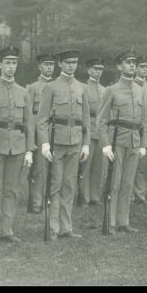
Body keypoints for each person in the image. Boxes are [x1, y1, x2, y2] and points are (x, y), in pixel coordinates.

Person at [0, 46, 34, 243]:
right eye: (7, 63)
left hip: (17, 147)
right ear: (0, 65)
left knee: (12, 189)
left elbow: (29, 124)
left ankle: (7, 229)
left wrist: (29, 150)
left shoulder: (23, 92)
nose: (11, 67)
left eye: (14, 63)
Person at [37, 49, 91, 240]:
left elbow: (86, 120)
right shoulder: (51, 87)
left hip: (75, 142)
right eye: (68, 62)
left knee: (70, 185)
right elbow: (42, 119)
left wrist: (86, 144)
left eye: (74, 62)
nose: (71, 66)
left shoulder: (82, 87)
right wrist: (44, 144)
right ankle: (53, 228)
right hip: (56, 143)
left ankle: (66, 228)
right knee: (55, 185)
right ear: (60, 64)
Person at [97, 49, 147, 234]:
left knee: (128, 182)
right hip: (117, 141)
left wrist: (143, 144)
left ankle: (123, 221)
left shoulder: (141, 90)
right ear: (119, 66)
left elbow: (144, 121)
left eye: (134, 63)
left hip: (134, 141)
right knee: (115, 182)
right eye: (128, 63)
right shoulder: (111, 90)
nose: (132, 66)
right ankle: (110, 222)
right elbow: (102, 120)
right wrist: (105, 144)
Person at [25, 52, 56, 213]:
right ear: (40, 67)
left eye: (51, 64)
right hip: (39, 132)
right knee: (39, 168)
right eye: (46, 64)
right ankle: (37, 203)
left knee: (56, 167)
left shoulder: (58, 85)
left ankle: (52, 200)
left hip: (56, 131)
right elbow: (29, 115)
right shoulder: (33, 87)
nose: (49, 67)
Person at [82, 57, 106, 207]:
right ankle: (83, 196)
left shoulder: (105, 90)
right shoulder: (83, 88)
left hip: (101, 131)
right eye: (95, 68)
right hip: (88, 130)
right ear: (89, 70)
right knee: (86, 165)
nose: (98, 71)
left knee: (99, 166)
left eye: (101, 69)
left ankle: (95, 196)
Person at [132, 55, 147, 205]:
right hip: (132, 127)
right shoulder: (130, 86)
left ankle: (140, 193)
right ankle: (129, 194)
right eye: (142, 67)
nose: (145, 70)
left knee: (145, 165)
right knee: (131, 163)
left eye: (146, 67)